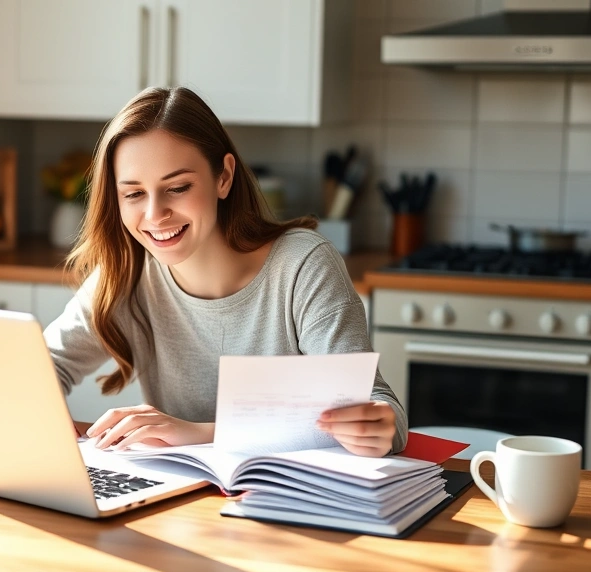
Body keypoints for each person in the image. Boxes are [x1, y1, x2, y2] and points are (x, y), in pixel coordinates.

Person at [43, 87, 407, 458]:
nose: (154, 215)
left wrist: (379, 424)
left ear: (224, 177)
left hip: (284, 503)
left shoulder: (303, 265)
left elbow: (375, 409)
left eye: (178, 187)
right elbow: (40, 366)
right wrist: (46, 420)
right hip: (175, 504)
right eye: (133, 194)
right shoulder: (126, 272)